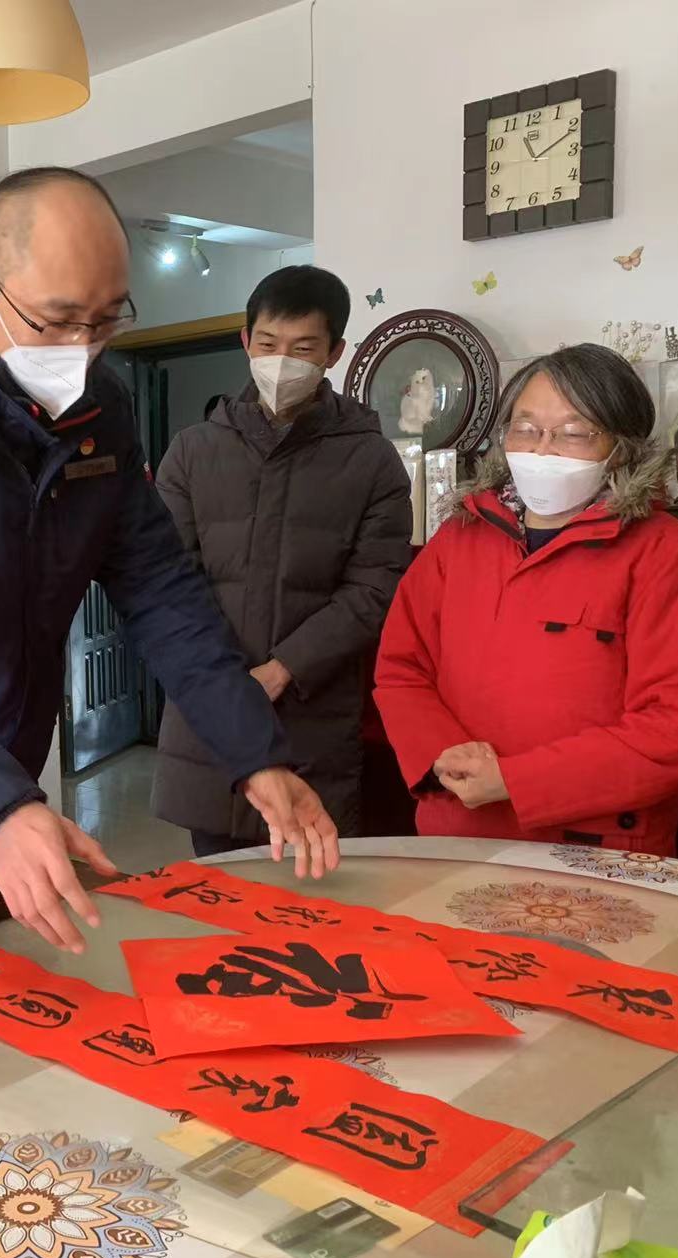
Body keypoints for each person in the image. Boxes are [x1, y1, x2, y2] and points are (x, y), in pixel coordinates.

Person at [0, 167, 339, 965]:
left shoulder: (99, 408)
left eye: (105, 320)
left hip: (6, 756)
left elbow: (161, 590)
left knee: (31, 976)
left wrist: (254, 751)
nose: (81, 350)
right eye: (55, 321)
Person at [375, 343, 678, 852]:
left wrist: (516, 781)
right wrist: (443, 754)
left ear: (621, 447)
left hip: (595, 848)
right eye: (525, 428)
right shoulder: (459, 539)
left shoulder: (669, 554)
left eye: (572, 433)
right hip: (457, 830)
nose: (542, 450)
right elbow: (401, 668)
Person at [153, 266, 411, 856]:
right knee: (220, 888)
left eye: (303, 349)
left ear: (334, 353)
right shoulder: (192, 451)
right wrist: (224, 681)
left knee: (313, 887)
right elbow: (167, 582)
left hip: (312, 717)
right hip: (210, 718)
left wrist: (283, 668)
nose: (281, 361)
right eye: (268, 344)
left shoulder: (372, 461)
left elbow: (375, 588)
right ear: (246, 341)